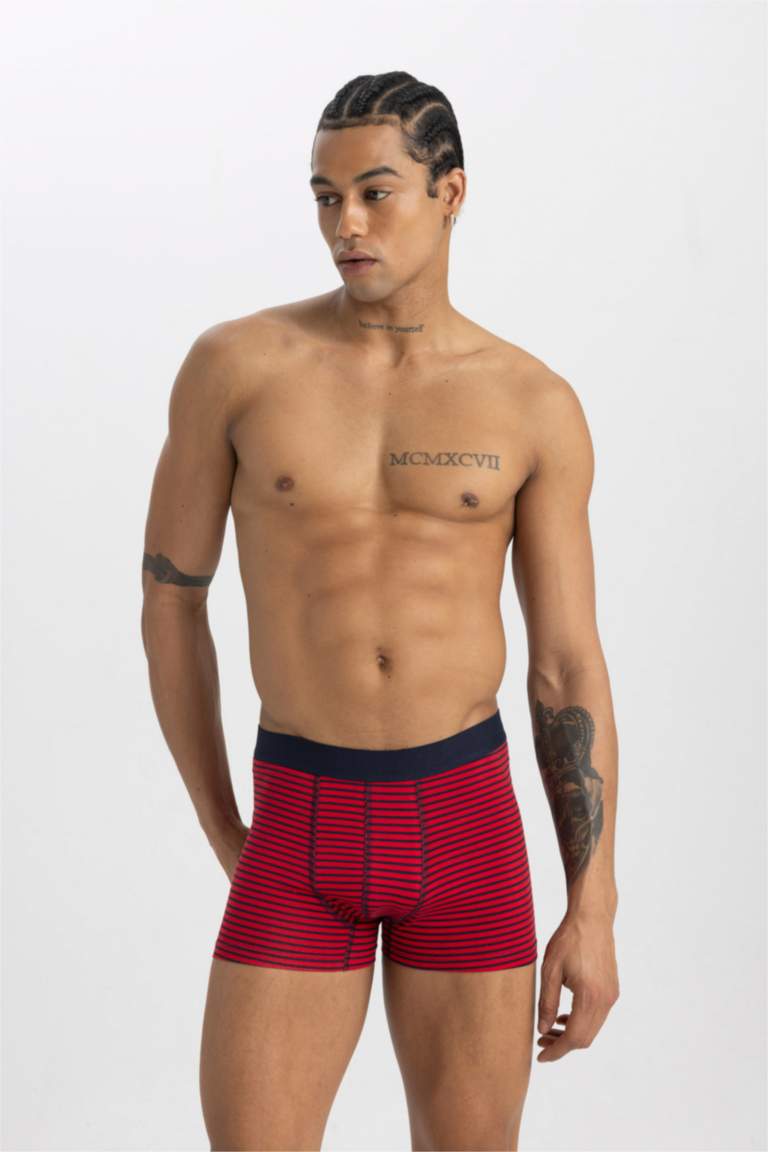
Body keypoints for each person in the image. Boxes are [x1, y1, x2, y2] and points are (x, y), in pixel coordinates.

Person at [140, 70, 620, 1152]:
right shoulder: (237, 368)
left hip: (467, 827)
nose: (344, 225)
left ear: (451, 192)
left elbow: (566, 668)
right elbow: (171, 602)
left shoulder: (531, 402)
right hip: (298, 817)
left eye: (375, 192)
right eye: (325, 197)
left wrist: (592, 904)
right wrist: (225, 829)